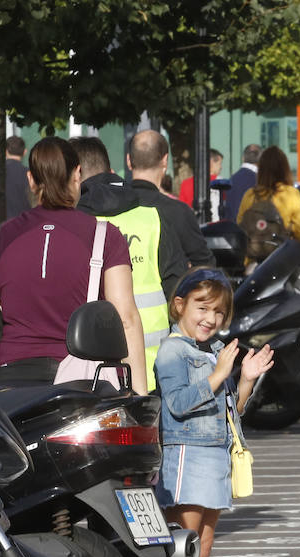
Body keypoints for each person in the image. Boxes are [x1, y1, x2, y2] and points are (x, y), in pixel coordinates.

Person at [151, 266, 274, 557]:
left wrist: (246, 382)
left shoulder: (208, 352)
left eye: (220, 312)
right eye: (204, 308)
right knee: (180, 550)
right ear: (179, 305)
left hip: (213, 457)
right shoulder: (174, 350)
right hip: (186, 457)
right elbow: (176, 404)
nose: (212, 319)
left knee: (200, 552)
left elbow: (228, 414)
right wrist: (220, 374)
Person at [0, 137, 147, 391]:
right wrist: (139, 396)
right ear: (77, 174)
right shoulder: (105, 237)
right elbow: (126, 318)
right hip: (81, 382)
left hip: (11, 381)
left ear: (31, 179)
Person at [72, 135, 182, 382]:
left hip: (88, 369)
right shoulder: (152, 218)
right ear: (108, 170)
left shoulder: (73, 225)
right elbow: (177, 290)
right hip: (154, 367)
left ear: (75, 174)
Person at [126, 129, 216, 273]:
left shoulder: (109, 207)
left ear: (129, 161)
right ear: (165, 161)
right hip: (168, 294)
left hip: (111, 295)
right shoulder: (178, 211)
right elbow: (205, 265)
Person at [236, 146, 300, 264]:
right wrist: (290, 228)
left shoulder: (250, 194)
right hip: (280, 260)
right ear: (285, 169)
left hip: (252, 260)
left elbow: (240, 226)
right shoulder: (290, 193)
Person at [179, 148, 224, 219]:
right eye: (219, 164)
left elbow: (182, 209)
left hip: (191, 224)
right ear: (211, 162)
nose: (221, 167)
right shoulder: (220, 182)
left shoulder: (185, 183)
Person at [222, 143, 261, 220]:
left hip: (231, 228)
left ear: (243, 158)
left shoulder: (232, 179)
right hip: (250, 228)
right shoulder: (260, 181)